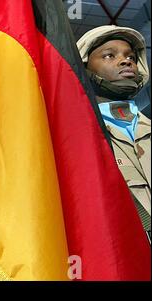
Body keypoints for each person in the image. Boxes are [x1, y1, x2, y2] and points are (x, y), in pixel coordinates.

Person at [77, 25, 150, 242]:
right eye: (109, 55)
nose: (126, 61)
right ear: (84, 69)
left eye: (130, 57)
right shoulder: (78, 136)